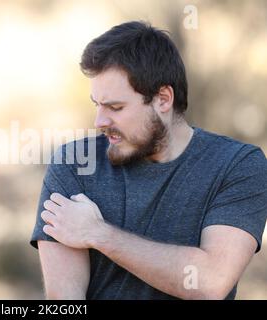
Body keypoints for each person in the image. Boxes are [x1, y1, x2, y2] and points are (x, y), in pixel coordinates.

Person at [30, 21, 267, 300]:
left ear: (163, 100)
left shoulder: (237, 166)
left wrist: (98, 234)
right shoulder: (74, 163)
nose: (100, 121)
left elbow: (209, 282)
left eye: (115, 107)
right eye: (97, 105)